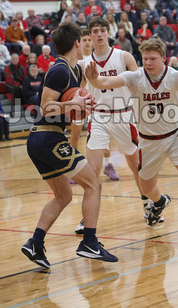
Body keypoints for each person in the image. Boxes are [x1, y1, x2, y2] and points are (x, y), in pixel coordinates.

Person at [86, 37, 178, 233]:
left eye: (152, 59)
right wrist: (94, 79)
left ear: (164, 58)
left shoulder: (174, 75)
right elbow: (105, 81)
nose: (148, 63)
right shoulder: (135, 77)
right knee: (147, 189)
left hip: (175, 137)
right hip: (148, 141)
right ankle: (160, 202)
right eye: (145, 59)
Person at [21, 22, 118, 269]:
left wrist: (87, 93)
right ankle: (89, 241)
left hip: (45, 139)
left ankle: (35, 242)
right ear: (77, 43)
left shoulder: (76, 71)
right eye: (83, 39)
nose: (86, 42)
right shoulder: (59, 70)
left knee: (64, 195)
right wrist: (72, 105)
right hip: (47, 137)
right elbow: (46, 107)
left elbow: (77, 99)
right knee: (94, 184)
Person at [74, 17, 151, 235]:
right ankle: (85, 219)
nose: (98, 34)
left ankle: (148, 205)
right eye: (94, 31)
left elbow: (141, 83)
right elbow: (80, 91)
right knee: (92, 172)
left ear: (108, 33)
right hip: (98, 118)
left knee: (137, 167)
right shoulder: (83, 64)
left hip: (124, 116)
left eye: (102, 30)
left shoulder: (123, 56)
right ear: (89, 36)